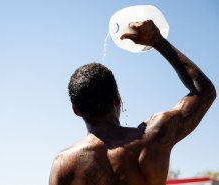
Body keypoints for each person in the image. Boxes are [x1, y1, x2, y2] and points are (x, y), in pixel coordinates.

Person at [49, 20, 216, 185]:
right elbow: (205, 92)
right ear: (117, 97)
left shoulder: (63, 164)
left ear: (76, 110)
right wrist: (157, 41)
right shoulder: (152, 137)